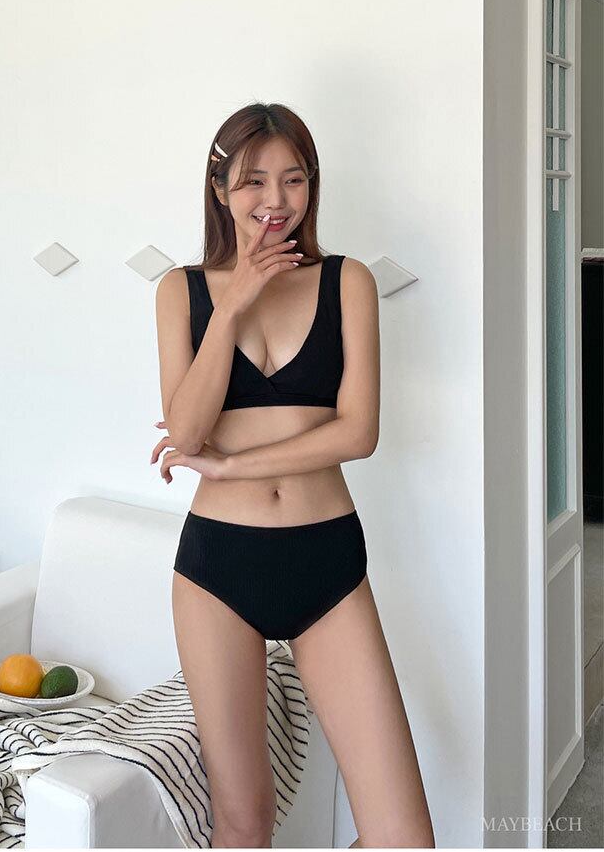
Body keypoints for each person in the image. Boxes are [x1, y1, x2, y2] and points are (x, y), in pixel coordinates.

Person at [152, 102, 434, 849]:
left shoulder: (348, 282)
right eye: (253, 180)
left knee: (403, 835)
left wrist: (235, 464)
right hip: (217, 571)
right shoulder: (181, 291)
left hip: (326, 562)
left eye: (294, 179)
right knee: (244, 819)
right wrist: (232, 305)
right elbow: (186, 431)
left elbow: (358, 432)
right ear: (220, 188)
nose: (275, 200)